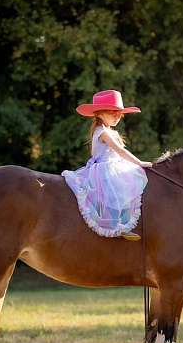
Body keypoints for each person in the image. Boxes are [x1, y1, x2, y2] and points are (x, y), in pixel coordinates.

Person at [62, 89, 152, 241]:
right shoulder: (102, 132)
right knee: (113, 194)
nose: (117, 116)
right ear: (98, 113)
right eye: (112, 112)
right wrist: (140, 163)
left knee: (128, 189)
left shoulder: (110, 131)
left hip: (115, 165)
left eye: (119, 113)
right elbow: (120, 151)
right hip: (104, 169)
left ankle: (126, 224)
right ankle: (114, 226)